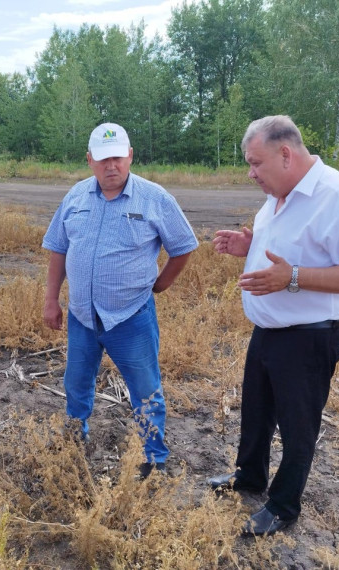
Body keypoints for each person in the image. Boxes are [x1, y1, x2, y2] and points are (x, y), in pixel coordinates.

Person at [209, 115, 339, 536]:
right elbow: (290, 249)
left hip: (311, 336)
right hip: (268, 330)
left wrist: (293, 278)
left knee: (296, 425)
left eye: (256, 164)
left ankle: (284, 505)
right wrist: (249, 246)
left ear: (285, 153)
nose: (250, 173)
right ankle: (248, 477)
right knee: (256, 412)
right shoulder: (278, 194)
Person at [42, 122, 198, 477]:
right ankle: (74, 439)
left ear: (130, 156)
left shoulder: (155, 198)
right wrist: (51, 300)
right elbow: (58, 249)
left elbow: (184, 247)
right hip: (82, 316)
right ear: (89, 160)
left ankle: (154, 458)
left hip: (130, 317)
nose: (110, 166)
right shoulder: (76, 197)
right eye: (102, 159)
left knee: (145, 389)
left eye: (117, 158)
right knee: (76, 384)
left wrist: (160, 286)